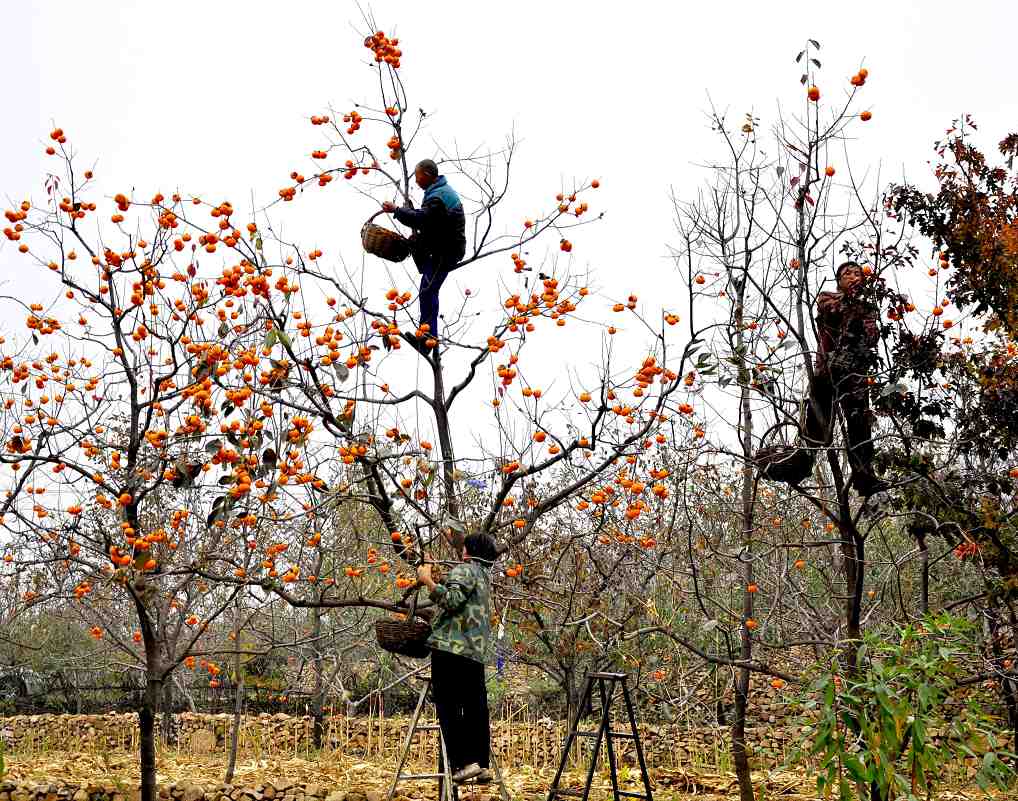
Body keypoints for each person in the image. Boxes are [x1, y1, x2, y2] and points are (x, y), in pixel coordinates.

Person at [758, 261, 887, 496]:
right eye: (847, 274)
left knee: (859, 422)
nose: (853, 277)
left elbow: (872, 337)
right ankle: (801, 462)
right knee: (817, 418)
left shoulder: (867, 308)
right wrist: (851, 300)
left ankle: (863, 475)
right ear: (839, 281)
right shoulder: (828, 298)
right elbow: (830, 312)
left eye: (858, 273)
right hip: (827, 369)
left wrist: (864, 310)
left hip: (855, 375)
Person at [416, 533, 496, 784]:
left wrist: (427, 580)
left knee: (448, 706)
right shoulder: (483, 576)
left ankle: (463, 762)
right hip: (474, 651)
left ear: (467, 551)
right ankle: (481, 764)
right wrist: (435, 574)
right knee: (475, 707)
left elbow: (451, 600)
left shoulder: (465, 569)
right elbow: (458, 596)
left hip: (451, 649)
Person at [382, 159, 466, 357]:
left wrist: (397, 210)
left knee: (428, 291)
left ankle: (427, 340)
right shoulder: (438, 192)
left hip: (446, 251)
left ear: (427, 175)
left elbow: (423, 219)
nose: (417, 181)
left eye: (418, 176)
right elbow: (432, 223)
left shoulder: (439, 196)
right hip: (443, 247)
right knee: (428, 290)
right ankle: (427, 337)